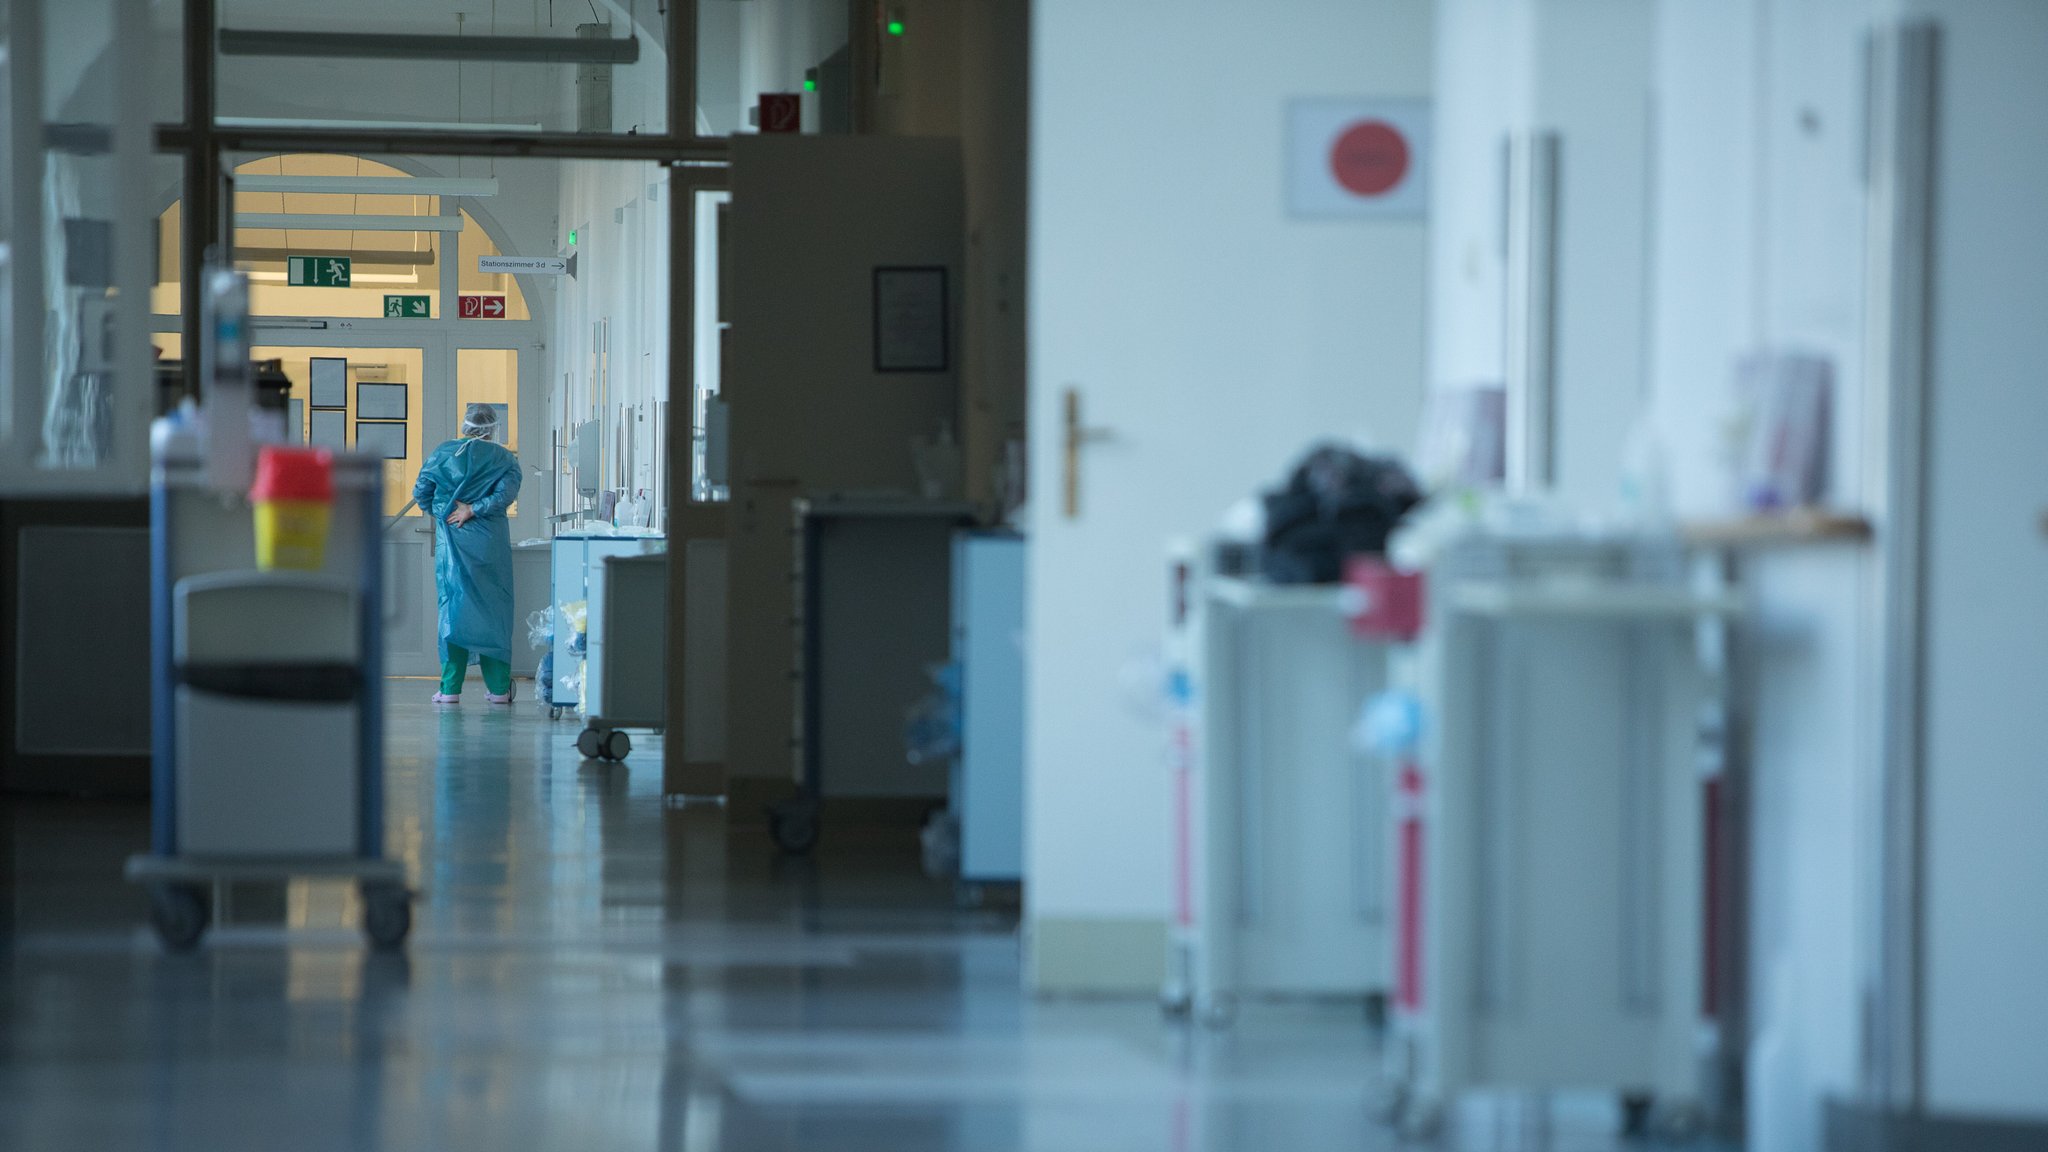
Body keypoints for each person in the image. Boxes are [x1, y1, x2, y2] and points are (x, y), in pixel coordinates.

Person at [414, 404, 522, 704]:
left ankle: (450, 689)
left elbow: (421, 492)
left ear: (466, 425)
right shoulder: (504, 459)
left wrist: (447, 513)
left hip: (453, 544)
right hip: (490, 545)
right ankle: (499, 689)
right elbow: (505, 495)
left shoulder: (444, 454)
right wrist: (474, 510)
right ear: (493, 428)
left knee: (454, 611)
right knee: (493, 614)